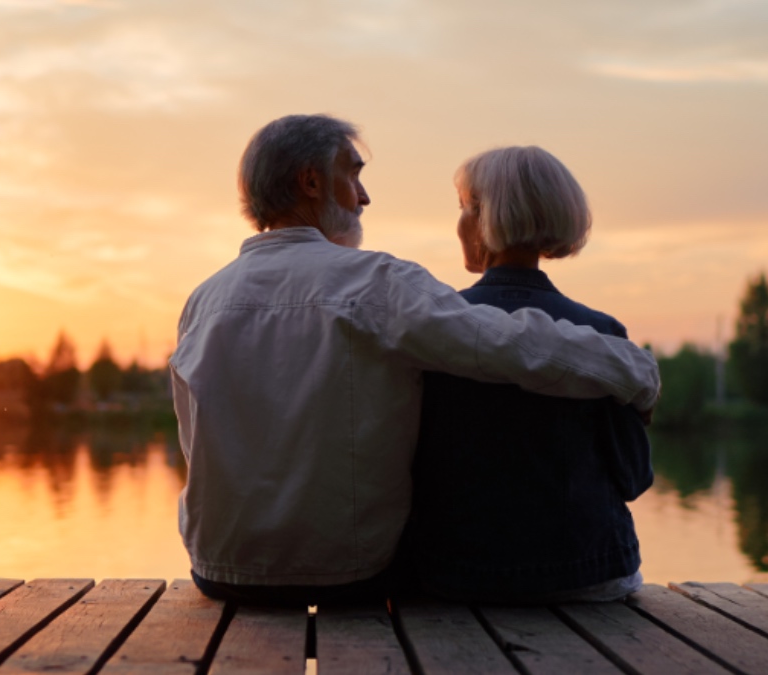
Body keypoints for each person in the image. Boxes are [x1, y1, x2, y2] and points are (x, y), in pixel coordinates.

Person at [169, 115, 660, 606]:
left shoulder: (203, 300)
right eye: (353, 174)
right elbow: (507, 344)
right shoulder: (374, 282)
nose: (364, 197)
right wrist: (633, 372)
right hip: (348, 574)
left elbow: (195, 445)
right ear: (312, 181)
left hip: (218, 572)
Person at [408, 146, 653, 603]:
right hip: (588, 575)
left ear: (483, 218)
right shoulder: (601, 333)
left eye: (463, 207)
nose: (459, 222)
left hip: (455, 577)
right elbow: (634, 478)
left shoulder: (432, 328)